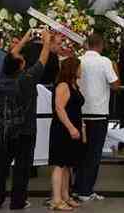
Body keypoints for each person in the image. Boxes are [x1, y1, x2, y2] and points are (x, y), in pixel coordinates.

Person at [0, 29, 51, 210]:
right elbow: (42, 61)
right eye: (22, 60)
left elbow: (11, 56)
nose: (24, 60)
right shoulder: (26, 79)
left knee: (0, 167)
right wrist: (46, 42)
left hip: (5, 129)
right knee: (21, 169)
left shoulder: (3, 78)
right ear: (21, 66)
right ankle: (17, 202)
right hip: (25, 130)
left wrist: (24, 39)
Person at [74, 33, 119, 202]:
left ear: (86, 44)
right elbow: (115, 85)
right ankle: (86, 191)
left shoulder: (79, 60)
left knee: (80, 153)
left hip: (79, 113)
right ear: (101, 45)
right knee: (93, 154)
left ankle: (77, 188)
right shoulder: (104, 61)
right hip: (99, 114)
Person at [48, 57, 85, 211]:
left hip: (72, 129)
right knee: (59, 164)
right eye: (79, 67)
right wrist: (71, 127)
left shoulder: (73, 85)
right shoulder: (63, 85)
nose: (81, 70)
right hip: (63, 130)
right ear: (72, 68)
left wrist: (80, 127)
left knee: (67, 164)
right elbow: (59, 108)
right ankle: (56, 199)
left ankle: (65, 195)